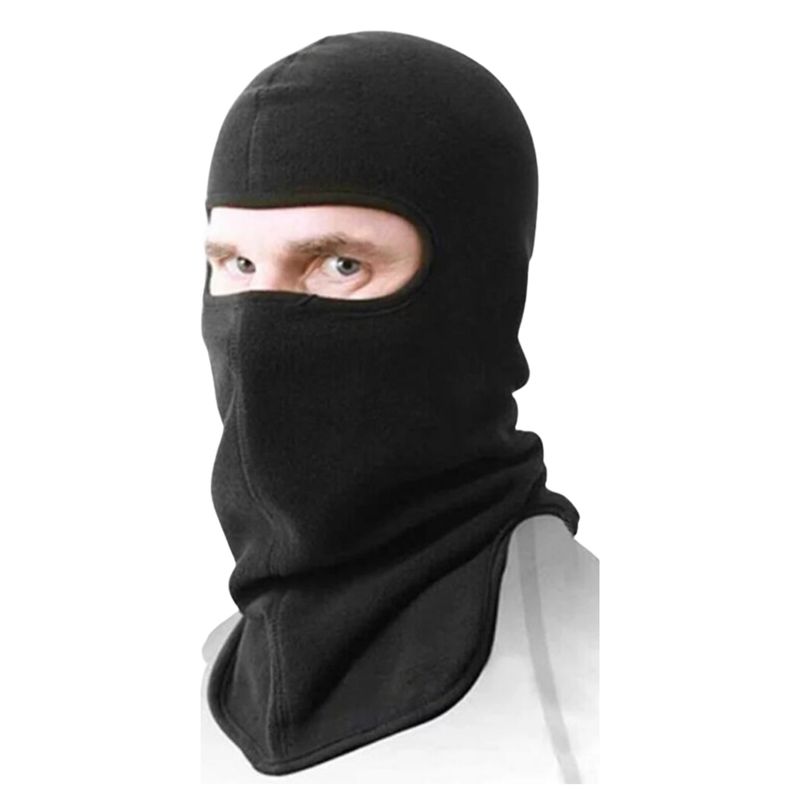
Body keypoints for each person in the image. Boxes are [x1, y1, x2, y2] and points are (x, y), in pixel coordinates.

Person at [199, 30, 598, 782]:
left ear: (477, 294)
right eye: (239, 264)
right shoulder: (204, 684)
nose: (255, 335)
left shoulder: (598, 689)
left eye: (339, 264)